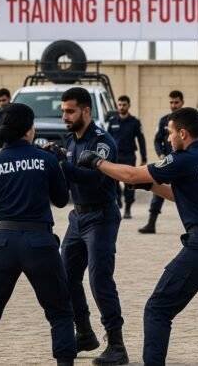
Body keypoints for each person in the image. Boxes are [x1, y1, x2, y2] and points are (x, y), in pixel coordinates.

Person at [77, 107, 198, 366]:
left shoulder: (182, 159)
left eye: (170, 132)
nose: (168, 138)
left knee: (157, 310)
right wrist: (150, 185)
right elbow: (181, 195)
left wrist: (97, 161)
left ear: (183, 133)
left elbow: (129, 174)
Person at [0, 103, 75, 366]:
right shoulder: (45, 159)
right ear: (28, 130)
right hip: (40, 244)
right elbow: (60, 200)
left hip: (4, 244)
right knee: (59, 311)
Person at [46, 87, 128, 365]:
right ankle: (84, 334)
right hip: (77, 217)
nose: (65, 116)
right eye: (63, 111)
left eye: (70, 111)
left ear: (86, 111)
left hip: (101, 218)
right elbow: (66, 178)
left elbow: (93, 179)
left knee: (99, 279)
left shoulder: (102, 141)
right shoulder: (70, 141)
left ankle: (117, 345)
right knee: (65, 277)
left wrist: (63, 165)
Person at [139, 90, 183, 234]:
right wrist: (161, 153)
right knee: (158, 188)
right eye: (171, 102)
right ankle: (151, 223)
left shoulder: (188, 119)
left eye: (176, 102)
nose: (173, 105)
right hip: (168, 161)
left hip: (184, 162)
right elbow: (158, 139)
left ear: (182, 102)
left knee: (188, 192)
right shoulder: (164, 120)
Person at [107, 95, 147, 219]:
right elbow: (107, 139)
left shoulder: (135, 122)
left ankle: (128, 208)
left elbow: (141, 140)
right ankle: (118, 199)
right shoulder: (112, 121)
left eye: (124, 104)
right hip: (115, 157)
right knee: (113, 181)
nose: (122, 107)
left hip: (129, 156)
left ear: (129, 106)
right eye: (120, 104)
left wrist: (144, 157)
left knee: (130, 183)